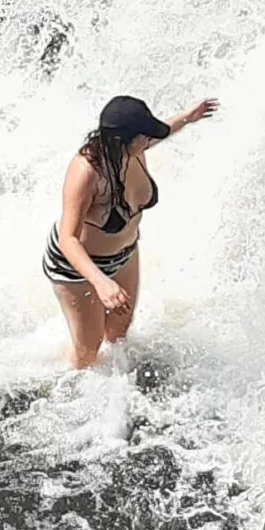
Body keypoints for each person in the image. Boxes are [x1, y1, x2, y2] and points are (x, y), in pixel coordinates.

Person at [44, 94, 217, 368]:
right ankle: (65, 391)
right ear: (119, 140)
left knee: (117, 335)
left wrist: (188, 116)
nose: (150, 140)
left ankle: (117, 389)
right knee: (87, 353)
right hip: (77, 267)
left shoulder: (133, 148)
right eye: (144, 137)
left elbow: (162, 130)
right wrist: (101, 282)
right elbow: (68, 238)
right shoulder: (86, 172)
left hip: (124, 256)